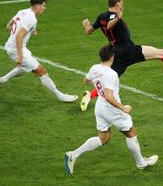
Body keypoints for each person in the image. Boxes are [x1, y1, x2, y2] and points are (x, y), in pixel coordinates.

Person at [80, 0, 163, 111]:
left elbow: (89, 31)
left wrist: (86, 25)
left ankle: (89, 96)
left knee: (111, 79)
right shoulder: (113, 16)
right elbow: (110, 25)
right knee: (161, 53)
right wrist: (118, 17)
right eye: (122, 3)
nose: (123, 5)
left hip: (118, 53)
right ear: (116, 5)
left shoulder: (101, 17)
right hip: (129, 51)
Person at [65, 44, 158, 175]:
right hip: (111, 108)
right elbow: (109, 96)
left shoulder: (94, 68)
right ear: (112, 57)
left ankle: (73, 155)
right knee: (131, 132)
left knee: (103, 138)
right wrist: (123, 108)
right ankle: (141, 163)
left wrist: (98, 81)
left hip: (100, 107)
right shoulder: (112, 74)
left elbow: (85, 81)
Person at [0, 0, 78, 102]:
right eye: (44, 6)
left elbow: (9, 25)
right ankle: (61, 96)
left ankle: (3, 79)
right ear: (38, 6)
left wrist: (30, 30)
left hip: (12, 47)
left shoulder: (22, 12)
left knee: (26, 67)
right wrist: (20, 56)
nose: (45, 8)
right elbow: (19, 36)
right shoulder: (31, 18)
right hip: (17, 49)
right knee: (41, 71)